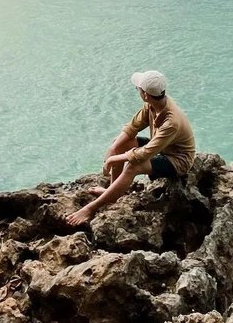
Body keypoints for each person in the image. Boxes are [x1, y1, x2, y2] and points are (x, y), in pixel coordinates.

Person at [66, 70, 196, 226]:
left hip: (177, 159)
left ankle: (90, 209)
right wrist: (114, 148)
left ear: (146, 94)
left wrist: (114, 158)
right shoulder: (153, 105)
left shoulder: (171, 122)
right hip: (163, 147)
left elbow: (145, 154)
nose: (138, 91)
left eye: (138, 89)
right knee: (121, 143)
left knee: (132, 166)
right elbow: (133, 127)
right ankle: (112, 193)